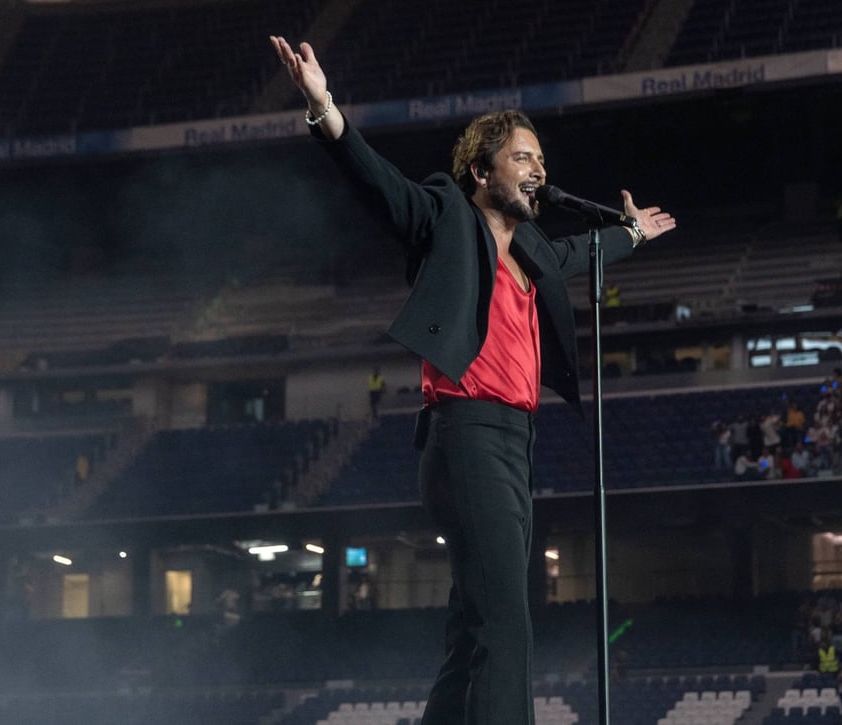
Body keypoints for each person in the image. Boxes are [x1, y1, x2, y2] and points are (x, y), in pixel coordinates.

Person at [269, 36, 676, 725]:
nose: (538, 167)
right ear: (482, 172)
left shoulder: (536, 251)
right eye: (523, 156)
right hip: (465, 434)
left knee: (474, 629)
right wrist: (325, 111)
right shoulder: (448, 214)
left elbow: (581, 250)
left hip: (515, 442)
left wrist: (629, 235)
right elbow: (382, 187)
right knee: (507, 625)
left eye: (542, 159)